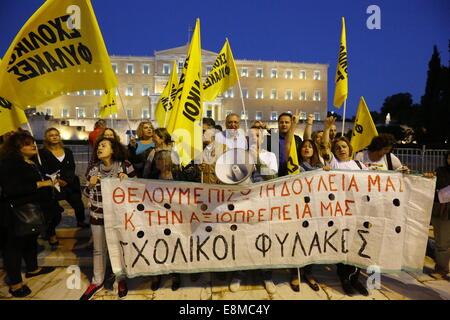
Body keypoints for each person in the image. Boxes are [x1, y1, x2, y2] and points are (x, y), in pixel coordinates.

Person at [0, 132, 56, 298]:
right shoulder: (9, 164)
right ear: (17, 148)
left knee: (30, 239)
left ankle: (33, 269)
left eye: (33, 143)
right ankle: (16, 284)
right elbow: (11, 189)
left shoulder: (31, 161)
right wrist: (40, 183)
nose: (33, 146)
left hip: (31, 210)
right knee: (13, 248)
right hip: (14, 213)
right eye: (27, 144)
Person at [80, 138, 136, 300]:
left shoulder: (125, 165)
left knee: (120, 248)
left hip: (119, 217)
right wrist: (90, 185)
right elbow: (85, 192)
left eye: (104, 145)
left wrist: (128, 181)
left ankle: (121, 279)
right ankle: (97, 281)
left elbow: (138, 188)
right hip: (98, 215)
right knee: (99, 249)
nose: (99, 147)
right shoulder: (93, 169)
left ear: (113, 149)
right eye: (98, 145)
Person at [322, 118, 370, 296]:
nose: (341, 150)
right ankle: (344, 278)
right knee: (343, 244)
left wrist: (401, 173)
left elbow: (378, 180)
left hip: (358, 212)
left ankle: (355, 278)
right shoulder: (334, 165)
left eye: (344, 147)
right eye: (338, 148)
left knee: (357, 245)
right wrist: (327, 129)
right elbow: (325, 147)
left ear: (350, 148)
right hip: (340, 212)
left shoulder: (360, 165)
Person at [40, 128, 88, 229]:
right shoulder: (43, 153)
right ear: (46, 138)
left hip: (69, 183)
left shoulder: (67, 151)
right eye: (51, 135)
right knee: (52, 208)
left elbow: (71, 167)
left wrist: (66, 180)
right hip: (53, 185)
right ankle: (50, 229)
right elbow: (44, 169)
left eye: (56, 135)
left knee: (78, 204)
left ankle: (81, 221)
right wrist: (56, 180)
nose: (54, 137)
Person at [430, 151, 450, 277]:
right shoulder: (440, 171)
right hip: (442, 211)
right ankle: (441, 269)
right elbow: (432, 184)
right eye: (449, 157)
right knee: (442, 243)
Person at [276, 112, 303, 177]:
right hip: (275, 178)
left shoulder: (297, 139)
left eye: (287, 122)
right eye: (281, 122)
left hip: (293, 176)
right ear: (278, 124)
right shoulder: (270, 138)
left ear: (291, 124)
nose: (284, 124)